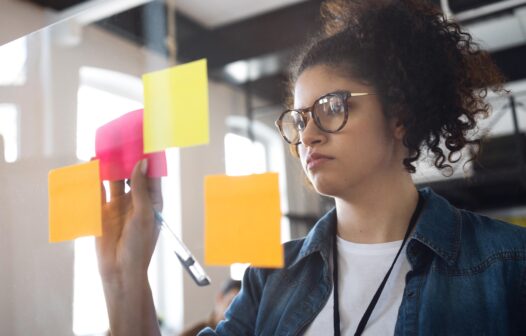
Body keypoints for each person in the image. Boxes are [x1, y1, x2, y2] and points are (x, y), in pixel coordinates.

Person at [96, 0, 526, 335]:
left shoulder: (507, 263)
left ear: (399, 115)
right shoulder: (271, 279)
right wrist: (125, 277)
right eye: (300, 119)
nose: (308, 135)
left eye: (332, 108)